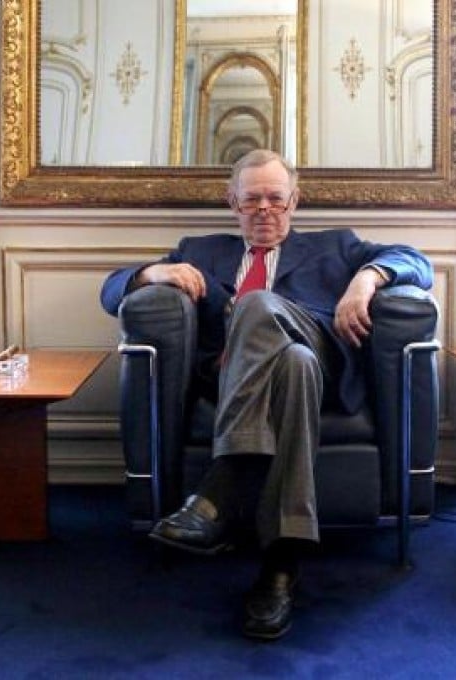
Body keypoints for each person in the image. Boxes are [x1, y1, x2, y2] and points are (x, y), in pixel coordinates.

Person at [100, 149, 433, 640]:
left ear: (294, 201)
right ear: (231, 202)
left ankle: (221, 487)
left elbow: (417, 262)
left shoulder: (336, 247)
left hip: (325, 360)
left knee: (260, 308)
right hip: (248, 378)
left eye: (275, 198)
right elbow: (110, 291)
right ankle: (281, 564)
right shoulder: (200, 251)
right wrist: (153, 274)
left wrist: (366, 279)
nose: (264, 209)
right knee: (292, 363)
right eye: (251, 199)